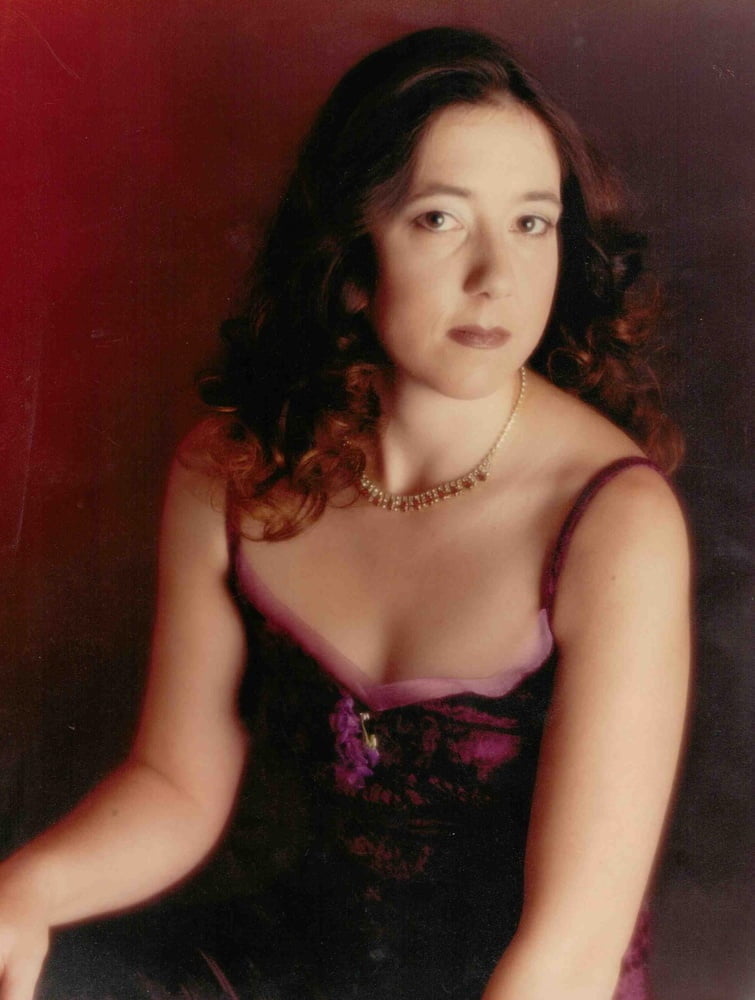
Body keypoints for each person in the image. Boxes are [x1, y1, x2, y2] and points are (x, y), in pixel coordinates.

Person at [0, 26, 690, 1000]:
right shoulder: (232, 471)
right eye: (440, 219)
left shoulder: (613, 522)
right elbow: (176, 786)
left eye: (532, 223)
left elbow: (566, 957)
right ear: (349, 260)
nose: (496, 275)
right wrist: (22, 892)